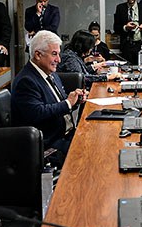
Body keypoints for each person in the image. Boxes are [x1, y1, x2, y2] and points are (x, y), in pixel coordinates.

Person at [11, 30, 86, 166]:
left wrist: (75, 101)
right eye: (54, 54)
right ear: (38, 55)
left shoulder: (50, 72)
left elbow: (58, 104)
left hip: (66, 135)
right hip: (51, 144)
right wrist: (68, 103)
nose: (59, 60)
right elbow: (37, 113)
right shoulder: (26, 80)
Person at [113, 0, 142, 64]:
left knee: (141, 68)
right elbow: (116, 27)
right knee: (127, 69)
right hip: (127, 44)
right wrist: (125, 27)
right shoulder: (120, 8)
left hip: (141, 44)